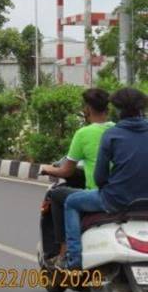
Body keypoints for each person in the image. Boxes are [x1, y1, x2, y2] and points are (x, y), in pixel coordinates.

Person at [63, 88, 148, 270]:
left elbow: (100, 177)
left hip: (117, 201)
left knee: (71, 202)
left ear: (117, 110)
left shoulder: (112, 135)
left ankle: (74, 261)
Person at [40, 88, 113, 262]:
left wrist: (47, 169)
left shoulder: (83, 134)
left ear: (87, 109)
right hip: (125, 193)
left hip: (101, 194)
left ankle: (66, 253)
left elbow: (66, 171)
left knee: (58, 196)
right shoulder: (116, 129)